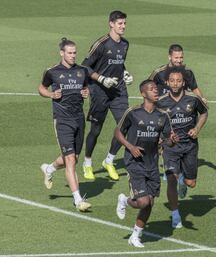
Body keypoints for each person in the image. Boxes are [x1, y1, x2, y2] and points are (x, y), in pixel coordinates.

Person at [115, 80, 178, 247]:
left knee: (150, 202)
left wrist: (172, 141)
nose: (155, 91)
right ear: (144, 94)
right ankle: (125, 200)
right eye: (151, 89)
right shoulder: (133, 112)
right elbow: (118, 132)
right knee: (142, 201)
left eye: (156, 89)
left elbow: (166, 142)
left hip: (152, 164)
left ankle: (135, 236)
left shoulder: (163, 116)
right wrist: (130, 146)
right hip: (134, 163)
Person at [38, 38, 91, 211]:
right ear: (62, 53)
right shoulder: (52, 71)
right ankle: (78, 200)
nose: (73, 56)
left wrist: (86, 92)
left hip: (79, 118)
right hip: (62, 120)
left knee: (73, 158)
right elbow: (41, 88)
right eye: (69, 53)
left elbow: (86, 88)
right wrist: (51, 95)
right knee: (70, 160)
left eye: (75, 52)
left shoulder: (82, 71)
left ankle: (50, 169)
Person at [81, 10, 133, 181]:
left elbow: (119, 63)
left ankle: (109, 160)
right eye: (120, 23)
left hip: (118, 91)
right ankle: (87, 163)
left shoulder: (125, 44)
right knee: (95, 130)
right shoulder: (101, 43)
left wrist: (125, 73)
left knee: (125, 125)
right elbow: (85, 67)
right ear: (111, 23)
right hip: (99, 92)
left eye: (124, 23)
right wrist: (101, 78)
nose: (123, 26)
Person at [157, 66, 208, 228]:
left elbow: (204, 113)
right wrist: (161, 140)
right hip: (170, 147)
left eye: (179, 81)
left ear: (184, 82)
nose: (175, 84)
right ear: (167, 82)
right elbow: (154, 121)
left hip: (190, 146)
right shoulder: (161, 101)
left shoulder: (193, 99)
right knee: (171, 179)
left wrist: (197, 129)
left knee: (191, 182)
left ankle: (183, 181)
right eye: (172, 81)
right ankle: (175, 214)